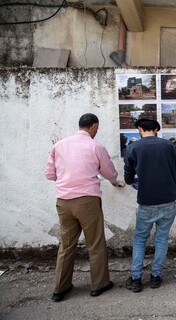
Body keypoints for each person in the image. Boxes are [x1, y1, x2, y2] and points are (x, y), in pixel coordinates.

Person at [45, 113, 123, 302]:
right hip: (87, 200)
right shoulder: (96, 146)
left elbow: (49, 174)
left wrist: (66, 180)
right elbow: (109, 172)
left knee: (66, 245)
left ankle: (60, 289)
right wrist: (114, 181)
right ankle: (99, 285)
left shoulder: (59, 145)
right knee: (95, 243)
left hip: (63, 201)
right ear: (94, 127)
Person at [123, 119, 176, 292]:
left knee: (140, 240)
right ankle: (156, 277)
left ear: (140, 129)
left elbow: (128, 177)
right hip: (169, 201)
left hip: (147, 202)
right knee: (162, 239)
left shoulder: (133, 148)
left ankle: (136, 280)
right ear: (156, 129)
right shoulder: (168, 146)